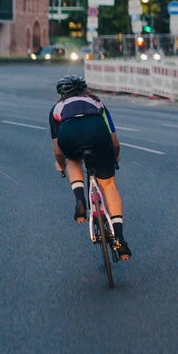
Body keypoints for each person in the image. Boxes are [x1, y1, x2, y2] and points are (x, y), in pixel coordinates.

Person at [49, 74, 131, 261]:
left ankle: (80, 202)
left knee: (72, 159)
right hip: (98, 135)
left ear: (62, 93)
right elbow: (114, 140)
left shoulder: (57, 108)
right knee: (108, 184)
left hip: (70, 137)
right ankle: (119, 238)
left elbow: (58, 151)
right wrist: (114, 156)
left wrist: (61, 165)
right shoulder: (98, 103)